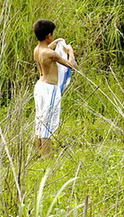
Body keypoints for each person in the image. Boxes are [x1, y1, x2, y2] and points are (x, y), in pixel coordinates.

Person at [32, 19, 77, 157]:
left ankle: (37, 152)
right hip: (50, 89)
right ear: (48, 35)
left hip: (40, 86)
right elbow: (71, 65)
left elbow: (47, 48)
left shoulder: (38, 50)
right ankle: (46, 156)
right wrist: (70, 51)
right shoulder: (51, 54)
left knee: (40, 119)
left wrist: (54, 43)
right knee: (48, 123)